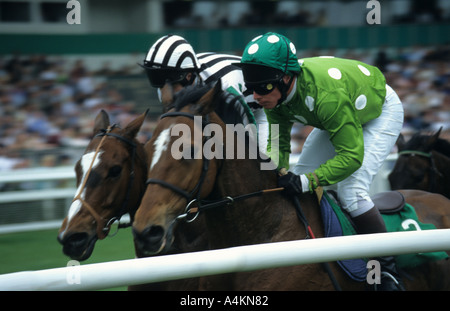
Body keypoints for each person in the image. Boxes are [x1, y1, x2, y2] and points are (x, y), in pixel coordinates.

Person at [237, 32, 404, 291]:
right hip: (338, 112)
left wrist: (307, 181)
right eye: (252, 88)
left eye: (263, 87)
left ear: (285, 78)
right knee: (299, 175)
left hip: (379, 111)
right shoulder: (277, 98)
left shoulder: (326, 96)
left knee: (351, 192)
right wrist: (271, 177)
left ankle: (387, 270)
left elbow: (351, 157)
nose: (256, 96)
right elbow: (277, 147)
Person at [139, 34, 268, 153]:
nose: (163, 90)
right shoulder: (166, 87)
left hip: (259, 113)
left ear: (188, 77)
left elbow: (246, 130)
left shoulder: (226, 86)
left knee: (260, 162)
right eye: (156, 79)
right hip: (216, 107)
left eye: (167, 82)